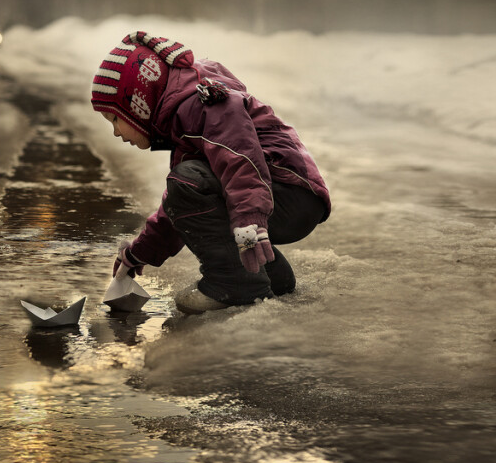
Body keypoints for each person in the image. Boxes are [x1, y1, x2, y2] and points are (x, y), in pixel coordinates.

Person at [92, 31, 331, 315]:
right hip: (277, 195)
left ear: (137, 103)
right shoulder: (184, 118)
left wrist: (249, 220)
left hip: (285, 190)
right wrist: (137, 253)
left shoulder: (202, 102)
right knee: (188, 185)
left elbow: (240, 156)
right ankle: (272, 278)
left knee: (188, 181)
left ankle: (234, 284)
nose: (116, 132)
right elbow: (176, 211)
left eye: (115, 119)